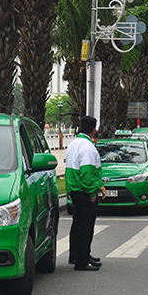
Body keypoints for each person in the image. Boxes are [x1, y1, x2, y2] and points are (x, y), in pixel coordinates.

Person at [66, 116, 106, 271]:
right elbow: (87, 173)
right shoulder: (88, 147)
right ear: (93, 130)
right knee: (86, 227)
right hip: (84, 191)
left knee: (77, 224)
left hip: (75, 191)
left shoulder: (73, 144)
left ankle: (77, 255)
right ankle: (82, 261)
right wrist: (92, 193)